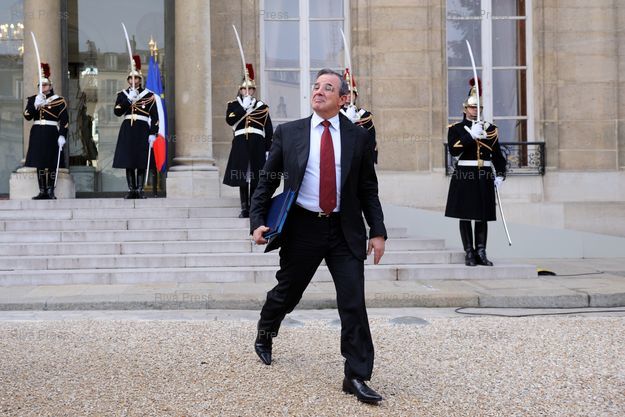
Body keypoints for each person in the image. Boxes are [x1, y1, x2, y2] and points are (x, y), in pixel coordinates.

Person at [250, 69, 387, 405]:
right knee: (287, 293)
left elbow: (368, 188)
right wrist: (257, 220)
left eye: (328, 87)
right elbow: (267, 180)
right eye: (316, 86)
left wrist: (378, 231)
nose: (319, 91)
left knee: (353, 302)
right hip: (303, 228)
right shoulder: (289, 133)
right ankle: (266, 330)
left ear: (343, 99)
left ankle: (356, 375)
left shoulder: (358, 137)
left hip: (344, 230)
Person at [445, 77, 507, 266]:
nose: (475, 110)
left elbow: (497, 155)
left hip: (484, 175)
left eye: (478, 108)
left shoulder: (490, 129)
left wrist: (501, 174)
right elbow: (454, 150)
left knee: (482, 215)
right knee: (465, 214)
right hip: (465, 174)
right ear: (465, 109)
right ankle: (469, 252)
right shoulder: (456, 129)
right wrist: (470, 136)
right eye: (472, 107)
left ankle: (481, 252)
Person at [223, 64, 273, 218]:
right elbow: (230, 121)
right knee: (242, 175)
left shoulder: (262, 107)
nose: (247, 91)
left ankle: (253, 208)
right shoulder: (233, 105)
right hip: (241, 144)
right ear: (240, 90)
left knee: (256, 176)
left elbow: (268, 130)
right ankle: (244, 207)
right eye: (245, 89)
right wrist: (242, 109)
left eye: (250, 89)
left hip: (257, 144)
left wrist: (268, 149)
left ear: (253, 91)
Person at [113, 55, 159, 199]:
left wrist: (153, 133)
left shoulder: (149, 95)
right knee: (129, 160)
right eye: (131, 78)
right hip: (128, 129)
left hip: (142, 129)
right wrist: (128, 100)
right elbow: (117, 112)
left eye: (136, 78)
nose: (133, 81)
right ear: (128, 80)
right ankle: (131, 189)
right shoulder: (123, 95)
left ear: (140, 79)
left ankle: (139, 190)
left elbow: (155, 117)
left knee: (141, 160)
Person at [23, 63, 68, 200]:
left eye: (45, 85)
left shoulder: (59, 100)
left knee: (51, 162)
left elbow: (64, 120)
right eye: (41, 85)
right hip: (37, 132)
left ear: (51, 86)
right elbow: (27, 116)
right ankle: (42, 190)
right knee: (40, 162)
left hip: (51, 132)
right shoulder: (33, 99)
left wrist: (62, 135)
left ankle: (50, 190)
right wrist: (35, 105)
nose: (43, 87)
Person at [340, 69, 377, 163]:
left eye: (351, 93)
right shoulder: (335, 113)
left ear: (355, 96)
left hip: (360, 153)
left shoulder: (364, 114)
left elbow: (371, 136)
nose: (349, 96)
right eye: (346, 93)